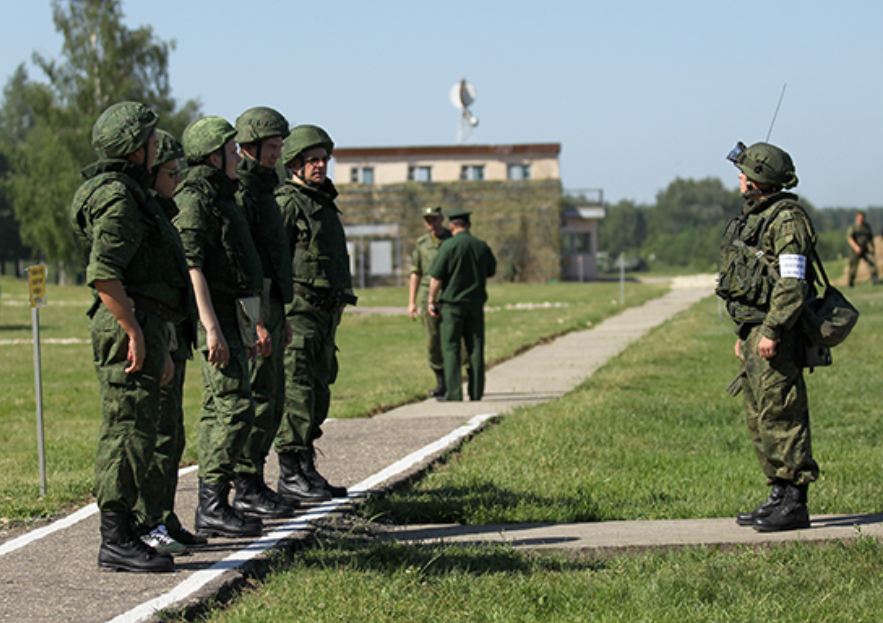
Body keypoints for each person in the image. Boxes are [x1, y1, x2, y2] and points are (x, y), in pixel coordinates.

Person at [70, 102, 190, 572]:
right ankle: (115, 538)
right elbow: (104, 274)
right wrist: (135, 331)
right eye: (152, 142)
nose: (158, 149)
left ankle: (131, 529)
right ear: (133, 149)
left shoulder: (133, 193)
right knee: (125, 430)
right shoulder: (119, 197)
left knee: (142, 429)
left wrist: (155, 336)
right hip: (128, 322)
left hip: (146, 322)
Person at [717, 141, 819, 532]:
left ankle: (795, 501)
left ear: (761, 179)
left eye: (745, 172)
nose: (740, 178)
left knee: (782, 412)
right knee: (761, 416)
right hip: (755, 326)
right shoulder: (759, 216)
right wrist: (746, 333)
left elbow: (792, 283)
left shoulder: (786, 221)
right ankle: (778, 491)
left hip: (777, 329)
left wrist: (773, 329)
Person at [173, 116, 265, 538]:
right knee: (233, 408)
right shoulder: (195, 199)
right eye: (231, 151)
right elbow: (193, 267)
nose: (237, 157)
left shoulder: (222, 196)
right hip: (218, 317)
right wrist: (211, 328)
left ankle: (214, 504)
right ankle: (211, 504)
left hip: (234, 314)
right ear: (213, 156)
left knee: (223, 407)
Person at [134, 129, 206, 555]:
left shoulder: (165, 213)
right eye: (170, 173)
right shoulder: (143, 214)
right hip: (153, 333)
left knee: (172, 434)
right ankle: (146, 520)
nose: (177, 180)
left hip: (172, 335)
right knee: (153, 434)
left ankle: (162, 513)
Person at [275, 124, 355, 502]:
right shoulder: (289, 203)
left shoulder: (322, 201)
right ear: (294, 163)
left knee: (319, 389)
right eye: (312, 160)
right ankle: (290, 471)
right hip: (300, 311)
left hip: (325, 313)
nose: (320, 166)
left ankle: (305, 465)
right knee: (298, 391)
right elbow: (275, 262)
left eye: (324, 159)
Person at [232, 106, 299, 518]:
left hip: (273, 303)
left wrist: (282, 313)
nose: (278, 154)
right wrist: (256, 318)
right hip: (254, 305)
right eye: (272, 146)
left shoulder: (264, 191)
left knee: (273, 399)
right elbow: (244, 261)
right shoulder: (242, 194)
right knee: (257, 397)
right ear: (249, 147)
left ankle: (255, 481)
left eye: (279, 146)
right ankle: (245, 484)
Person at [427, 208, 496, 402]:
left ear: (452, 226)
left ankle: (454, 393)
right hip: (475, 304)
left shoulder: (448, 246)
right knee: (475, 347)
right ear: (469, 225)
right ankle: (476, 391)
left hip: (452, 306)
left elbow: (436, 277)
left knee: (451, 348)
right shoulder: (481, 246)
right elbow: (491, 271)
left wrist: (431, 300)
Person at [408, 206, 452, 396]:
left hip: (450, 293)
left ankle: (456, 378)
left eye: (434, 219)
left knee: (454, 339)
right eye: (427, 220)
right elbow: (415, 272)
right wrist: (412, 302)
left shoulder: (452, 239)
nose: (431, 223)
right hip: (428, 295)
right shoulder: (422, 243)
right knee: (433, 340)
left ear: (441, 219)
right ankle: (441, 381)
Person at [846, 211, 879, 286]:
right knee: (853, 267)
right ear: (857, 217)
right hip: (855, 250)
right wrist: (856, 247)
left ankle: (874, 279)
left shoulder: (866, 227)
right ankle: (850, 282)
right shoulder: (854, 227)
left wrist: (872, 247)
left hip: (865, 249)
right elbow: (849, 238)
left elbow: (870, 237)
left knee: (872, 262)